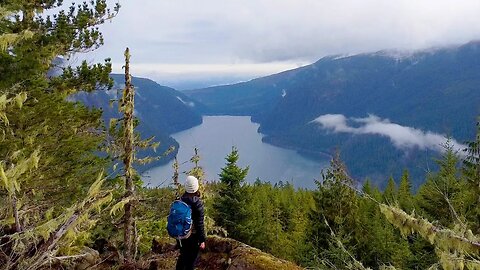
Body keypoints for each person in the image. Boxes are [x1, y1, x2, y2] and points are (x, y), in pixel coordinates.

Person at [176, 175, 206, 270]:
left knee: (183, 256)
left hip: (180, 235)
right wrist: (202, 240)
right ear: (196, 187)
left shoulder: (180, 200)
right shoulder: (197, 204)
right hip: (192, 237)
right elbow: (199, 224)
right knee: (191, 261)